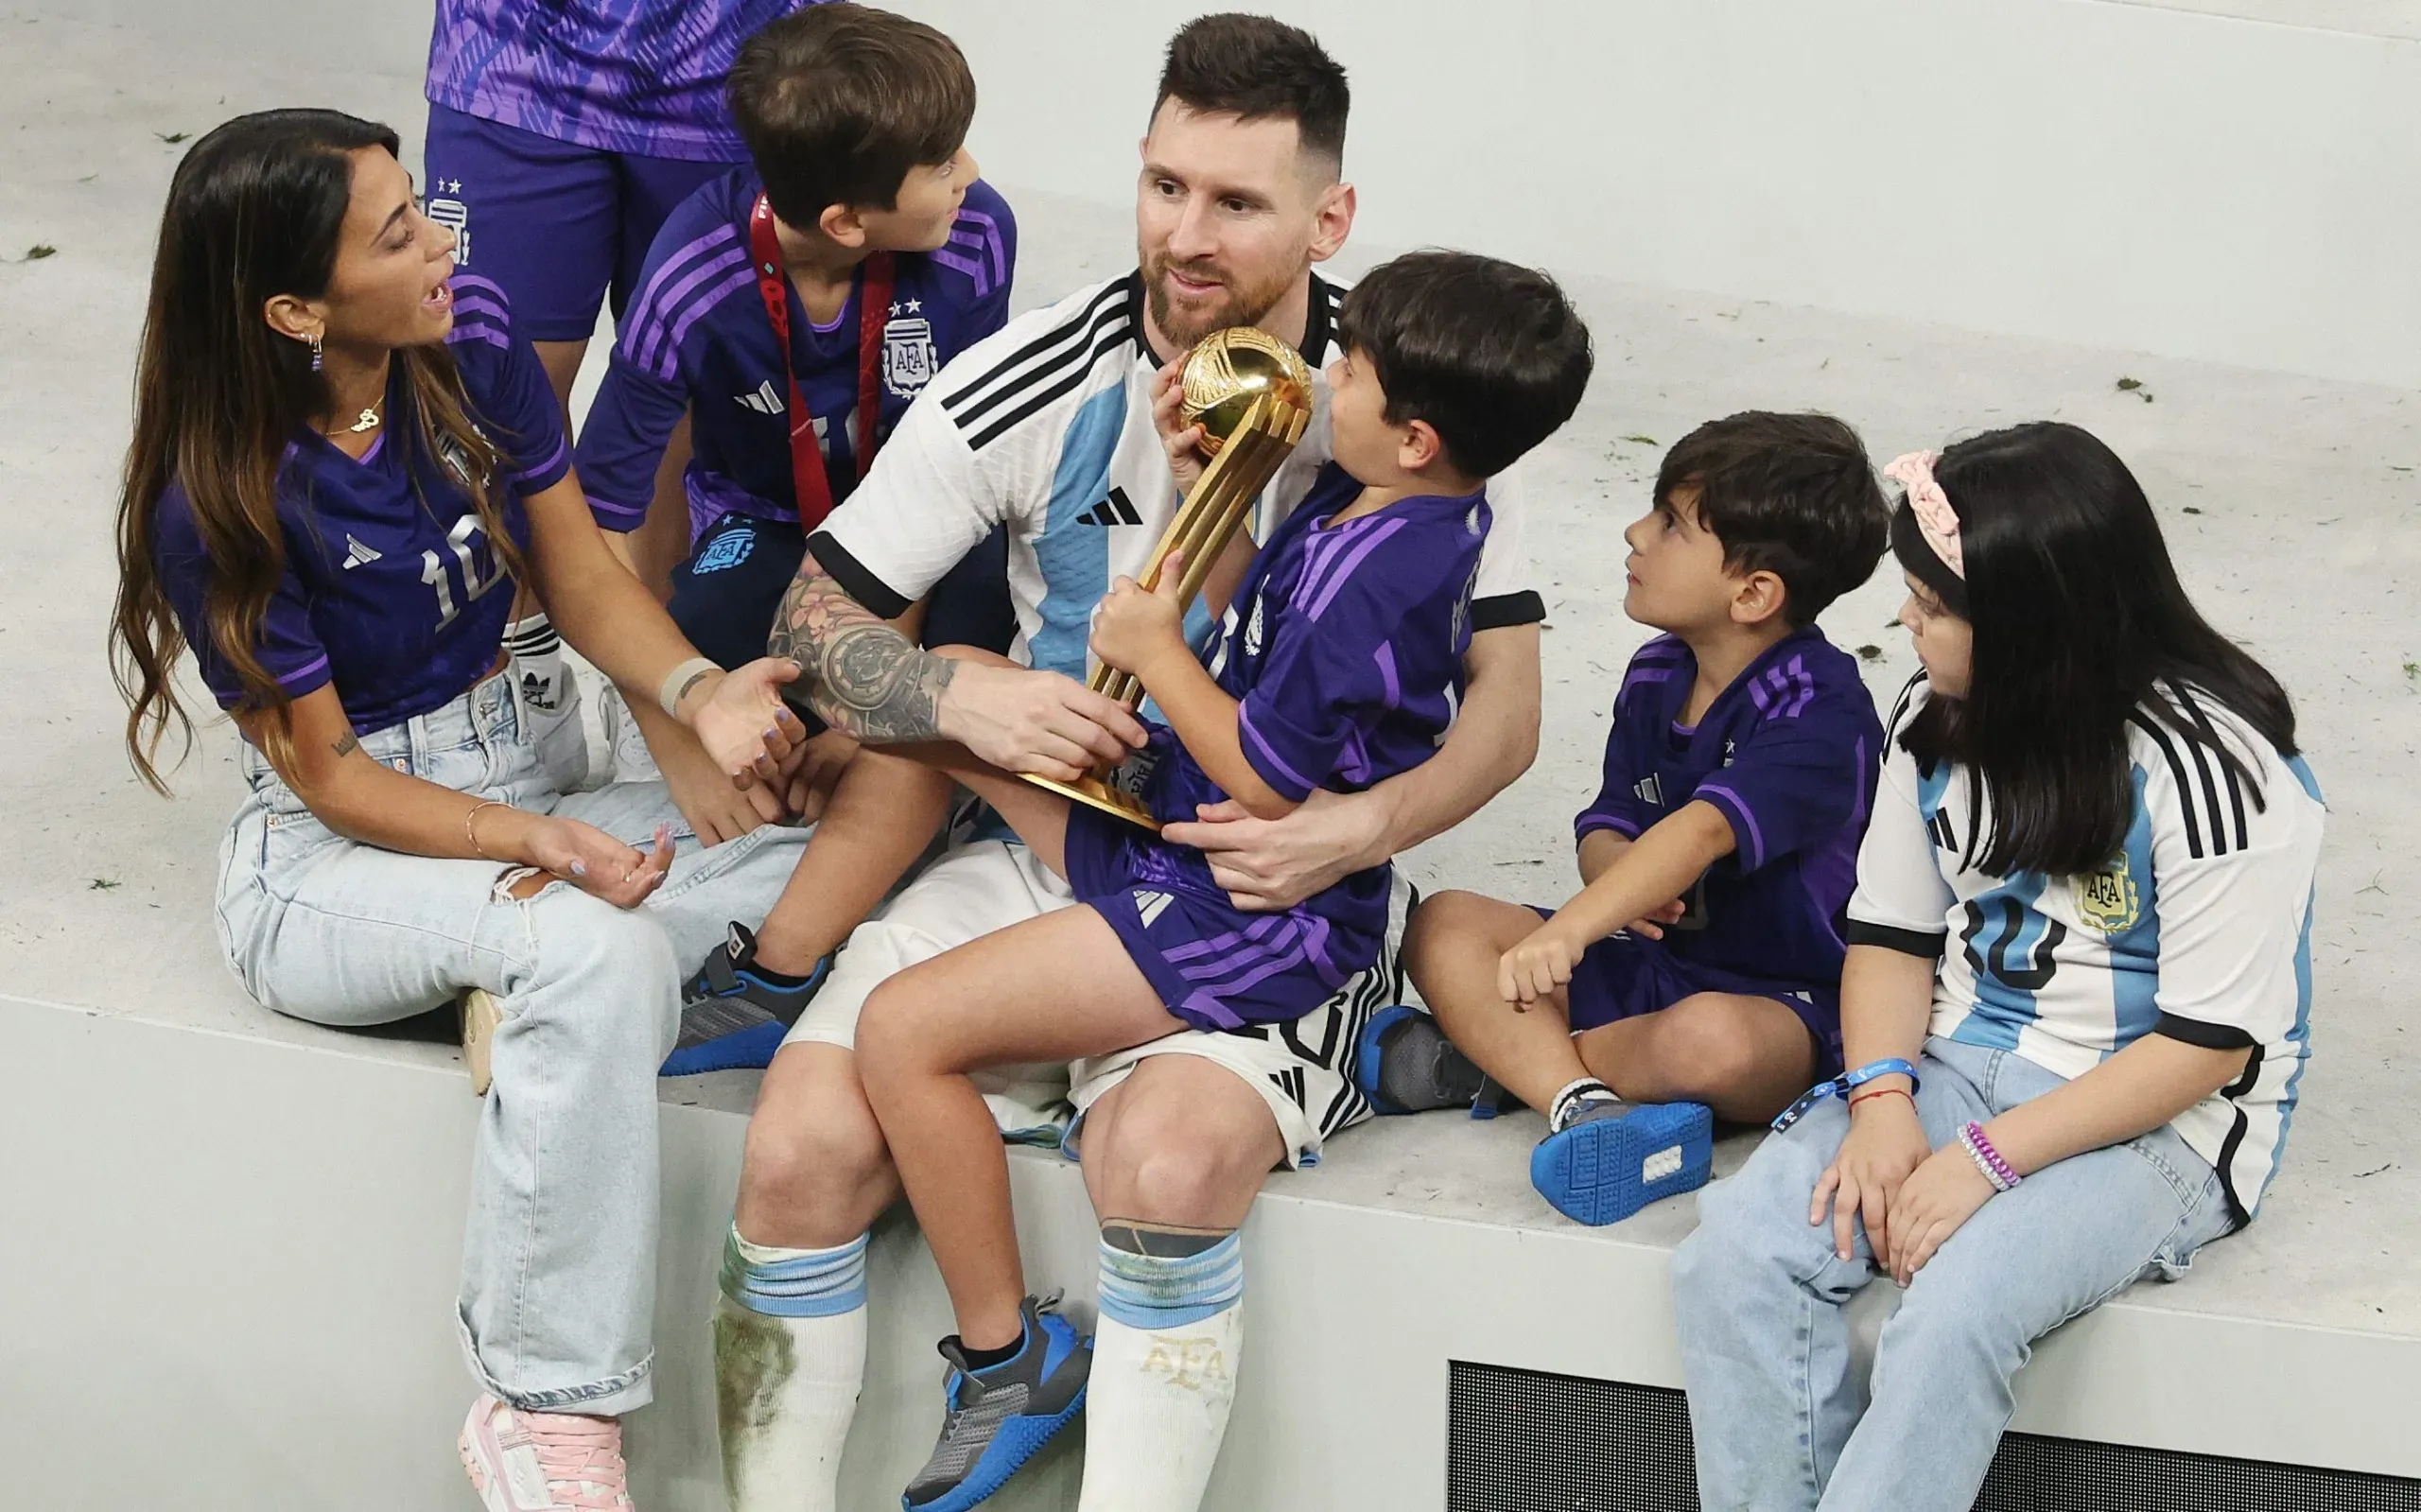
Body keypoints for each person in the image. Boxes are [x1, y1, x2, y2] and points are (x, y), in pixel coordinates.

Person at [710, 17, 1549, 1512]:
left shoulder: (1407, 384)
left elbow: (1509, 709)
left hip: (1256, 876)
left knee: (1159, 1170)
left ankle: (1341, 1036)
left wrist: (1355, 829)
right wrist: (970, 709)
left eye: (1237, 202)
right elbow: (815, 610)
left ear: (1327, 217)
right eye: (1166, 187)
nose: (1188, 234)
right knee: (795, 1152)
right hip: (1060, 838)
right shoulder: (1032, 368)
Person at [108, 111, 811, 1512]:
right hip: (338, 847)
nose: (444, 245)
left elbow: (580, 570)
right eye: (398, 239)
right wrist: (537, 846)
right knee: (597, 947)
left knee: (820, 830)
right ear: (295, 308)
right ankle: (544, 1411)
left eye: (421, 213)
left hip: (537, 751)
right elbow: (332, 774)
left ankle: (505, 979)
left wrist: (693, 690)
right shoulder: (224, 491)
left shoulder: (470, 337)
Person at [854, 249, 1593, 1511]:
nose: (1325, 373)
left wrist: (1150, 640)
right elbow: (1272, 623)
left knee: (900, 1029)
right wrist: (1213, 534)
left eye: (1348, 370)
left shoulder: (1390, 572)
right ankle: (769, 962)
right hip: (1183, 833)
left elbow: (1265, 776)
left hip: (1238, 909)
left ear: (1414, 434)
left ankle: (1006, 1349)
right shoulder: (1376, 503)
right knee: (951, 708)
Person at [1669, 422, 2324, 1510]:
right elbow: (1888, 939)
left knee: (1957, 1305)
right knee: (1735, 1258)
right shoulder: (1929, 721)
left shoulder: (2219, 771)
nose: (1902, 620)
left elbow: (2206, 1047)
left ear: (2028, 625)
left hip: (2155, 1122)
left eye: (1931, 604)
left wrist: (1982, 1159)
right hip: (1950, 1066)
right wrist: (1881, 1102)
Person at [565, 3, 1019, 1071]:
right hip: (771, 530)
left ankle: (873, 798)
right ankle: (888, 793)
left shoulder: (976, 232)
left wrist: (865, 700)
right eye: (941, 160)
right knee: (702, 624)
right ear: (851, 221)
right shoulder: (691, 277)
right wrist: (675, 731)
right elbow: (598, 522)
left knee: (977, 654)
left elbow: (957, 474)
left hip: (939, 530)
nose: (971, 172)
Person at [1373, 413, 1890, 1227]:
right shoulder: (1656, 671)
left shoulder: (1821, 705)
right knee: (1443, 922)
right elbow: (1608, 826)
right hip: (1651, 969)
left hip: (1789, 1004)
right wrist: (1614, 885)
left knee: (1712, 1042)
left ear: (1754, 593)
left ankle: (1500, 1066)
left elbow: (1701, 832)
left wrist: (1568, 931)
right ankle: (1579, 1100)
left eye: (1671, 525)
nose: (1634, 532)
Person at [423, 0, 822, 792]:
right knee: (492, 384)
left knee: (684, 379)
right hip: (517, 54)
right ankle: (516, 665)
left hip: (735, 58)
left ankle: (669, 669)